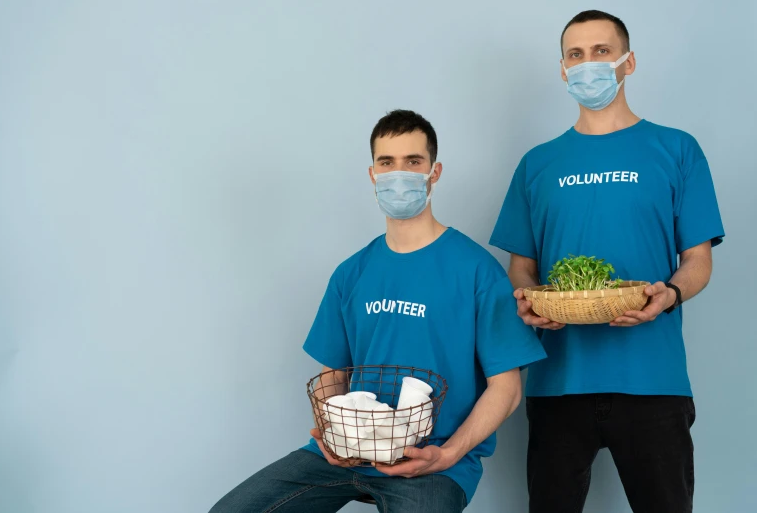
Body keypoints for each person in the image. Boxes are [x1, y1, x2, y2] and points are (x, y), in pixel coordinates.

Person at [209, 110, 547, 512]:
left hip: (431, 462)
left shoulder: (476, 271)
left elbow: (506, 389)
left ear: (434, 172)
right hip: (345, 455)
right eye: (387, 163)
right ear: (372, 174)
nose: (398, 174)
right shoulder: (351, 273)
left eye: (413, 162)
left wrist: (449, 454)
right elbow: (333, 375)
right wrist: (335, 436)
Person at [490, 10, 724, 513]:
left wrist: (670, 294)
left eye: (601, 51)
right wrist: (526, 302)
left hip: (653, 380)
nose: (588, 64)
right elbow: (521, 268)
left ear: (628, 62)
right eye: (576, 54)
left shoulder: (677, 150)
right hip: (558, 382)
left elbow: (698, 261)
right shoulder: (537, 163)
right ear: (562, 69)